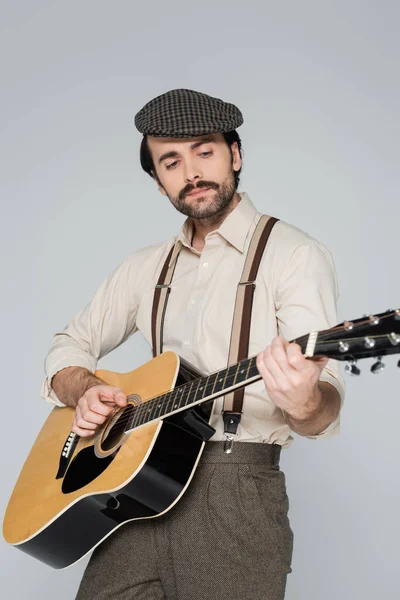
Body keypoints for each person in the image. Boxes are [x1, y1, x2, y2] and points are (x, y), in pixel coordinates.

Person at [41, 88, 344, 600]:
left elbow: (324, 407)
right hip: (137, 487)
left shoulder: (294, 255)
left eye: (205, 151)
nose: (192, 172)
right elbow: (68, 346)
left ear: (236, 155)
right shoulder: (145, 267)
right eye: (171, 161)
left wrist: (304, 400)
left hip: (236, 494)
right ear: (159, 183)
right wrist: (85, 388)